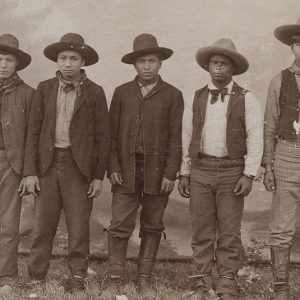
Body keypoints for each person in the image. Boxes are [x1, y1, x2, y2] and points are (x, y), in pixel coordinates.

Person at [23, 33, 110, 291]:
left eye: (74, 58)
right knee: (42, 226)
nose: (68, 63)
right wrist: (31, 171)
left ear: (83, 61)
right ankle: (36, 276)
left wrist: (97, 175)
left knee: (79, 226)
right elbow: (33, 132)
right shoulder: (44, 88)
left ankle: (77, 278)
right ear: (57, 61)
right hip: (48, 166)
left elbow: (103, 138)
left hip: (79, 167)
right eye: (63, 58)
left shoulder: (95, 92)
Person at [178, 39, 263, 299]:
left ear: (233, 69)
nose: (218, 68)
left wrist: (249, 174)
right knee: (202, 229)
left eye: (224, 64)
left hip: (232, 171)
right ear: (208, 66)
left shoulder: (247, 99)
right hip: (201, 169)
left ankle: (227, 284)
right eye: (215, 63)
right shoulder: (196, 96)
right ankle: (200, 283)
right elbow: (187, 135)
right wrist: (185, 172)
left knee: (228, 231)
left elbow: (255, 137)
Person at [102, 33, 184, 299]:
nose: (147, 66)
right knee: (119, 224)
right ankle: (114, 280)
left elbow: (176, 136)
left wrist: (171, 171)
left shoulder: (172, 95)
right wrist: (112, 165)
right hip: (125, 168)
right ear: (134, 65)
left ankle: (144, 280)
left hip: (157, 172)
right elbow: (110, 134)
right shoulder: (122, 92)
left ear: (160, 63)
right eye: (141, 61)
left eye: (152, 61)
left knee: (152, 224)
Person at [263, 18, 300, 300]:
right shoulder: (280, 80)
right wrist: (269, 166)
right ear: (292, 47)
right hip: (288, 154)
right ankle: (281, 288)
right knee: (282, 226)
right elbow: (270, 126)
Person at [0, 34, 34, 294]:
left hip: (10, 163)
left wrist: (26, 170)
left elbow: (33, 137)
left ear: (17, 64)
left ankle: (6, 275)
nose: (2, 64)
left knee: (8, 222)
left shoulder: (28, 94)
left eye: (8, 60)